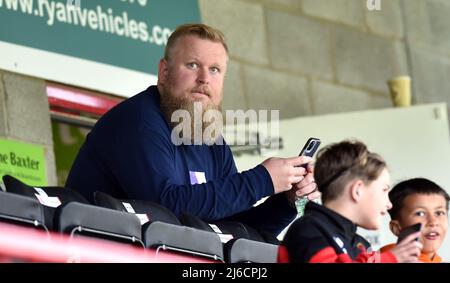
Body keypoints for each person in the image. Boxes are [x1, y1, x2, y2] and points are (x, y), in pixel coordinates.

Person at [65, 23, 318, 238]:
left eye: (215, 70)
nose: (204, 78)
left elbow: (231, 229)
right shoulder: (138, 121)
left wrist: (287, 201)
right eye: (193, 65)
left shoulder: (213, 141)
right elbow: (164, 210)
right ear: (164, 72)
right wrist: (261, 180)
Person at [278, 140, 423, 263]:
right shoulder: (309, 229)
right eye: (384, 190)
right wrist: (391, 258)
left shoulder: (361, 245)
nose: (389, 204)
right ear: (357, 190)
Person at [380, 178, 449, 263]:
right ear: (396, 228)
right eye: (420, 213)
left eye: (439, 213)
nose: (433, 222)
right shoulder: (385, 259)